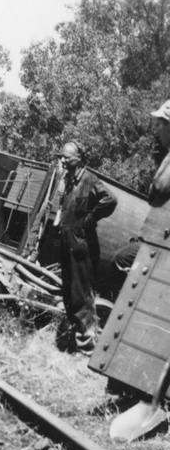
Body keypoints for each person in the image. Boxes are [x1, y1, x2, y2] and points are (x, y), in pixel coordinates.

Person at [54, 140, 118, 355]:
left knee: (82, 296)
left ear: (79, 158)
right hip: (68, 244)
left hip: (81, 247)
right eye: (61, 156)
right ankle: (76, 341)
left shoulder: (89, 179)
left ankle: (89, 347)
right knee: (69, 294)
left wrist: (90, 220)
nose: (62, 160)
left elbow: (110, 199)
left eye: (66, 156)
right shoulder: (70, 181)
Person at [113, 99, 170, 272]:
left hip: (162, 242)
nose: (157, 129)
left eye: (161, 124)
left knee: (121, 259)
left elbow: (158, 188)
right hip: (159, 238)